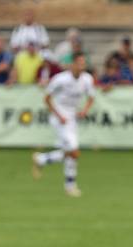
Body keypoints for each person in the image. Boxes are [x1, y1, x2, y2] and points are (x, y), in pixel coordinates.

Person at [32, 52, 94, 197]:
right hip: (59, 118)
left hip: (72, 119)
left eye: (83, 63)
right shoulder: (60, 79)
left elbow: (91, 97)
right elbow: (47, 98)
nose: (81, 66)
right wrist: (59, 115)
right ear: (72, 64)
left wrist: (84, 110)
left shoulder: (87, 79)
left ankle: (42, 159)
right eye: (79, 63)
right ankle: (70, 185)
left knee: (70, 152)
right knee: (73, 150)